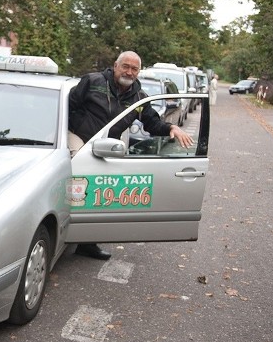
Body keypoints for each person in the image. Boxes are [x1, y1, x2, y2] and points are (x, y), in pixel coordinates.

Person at [68, 51, 194, 260]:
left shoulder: (139, 97)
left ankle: (86, 241)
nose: (129, 72)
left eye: (134, 69)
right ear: (115, 66)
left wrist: (171, 127)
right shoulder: (92, 81)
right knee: (79, 171)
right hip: (78, 137)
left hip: (106, 146)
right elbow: (68, 107)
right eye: (125, 66)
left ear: (139, 72)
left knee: (104, 190)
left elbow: (152, 123)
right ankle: (66, 226)